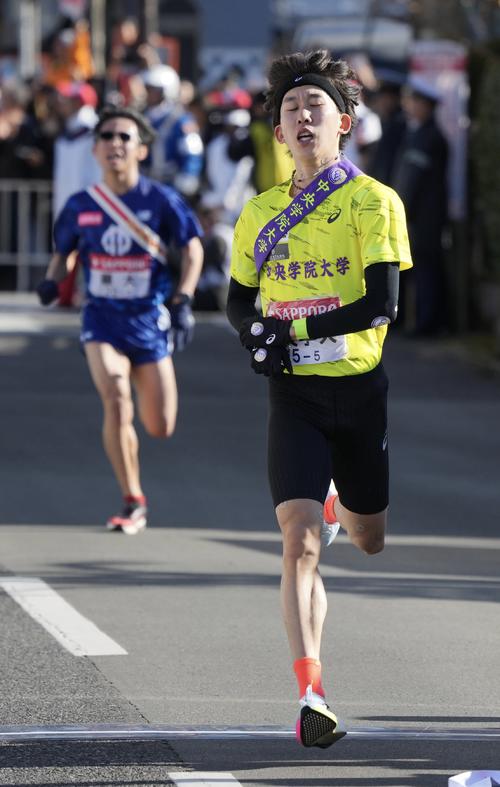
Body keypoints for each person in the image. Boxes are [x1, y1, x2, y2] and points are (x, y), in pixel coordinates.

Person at [226, 49, 412, 749]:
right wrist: (256, 334)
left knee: (369, 539)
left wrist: (292, 328)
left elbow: (381, 303)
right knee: (297, 539)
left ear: (345, 123)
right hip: (295, 394)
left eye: (316, 106)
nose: (303, 117)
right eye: (291, 109)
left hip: (359, 390)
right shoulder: (260, 213)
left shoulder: (374, 201)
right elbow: (238, 300)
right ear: (278, 133)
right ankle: (312, 693)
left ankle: (342, 508)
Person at [36, 106, 204, 534]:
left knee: (160, 425)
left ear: (141, 150)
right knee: (115, 396)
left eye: (124, 136)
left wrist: (183, 299)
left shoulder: (161, 200)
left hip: (148, 319)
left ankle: (135, 487)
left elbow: (192, 248)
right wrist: (53, 281)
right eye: (106, 136)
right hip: (101, 319)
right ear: (94, 150)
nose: (115, 143)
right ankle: (133, 499)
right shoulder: (81, 205)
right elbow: (64, 254)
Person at [391, 76, 448, 336]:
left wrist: (401, 210)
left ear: (426, 105)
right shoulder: (417, 133)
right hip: (416, 216)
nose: (409, 105)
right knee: (417, 268)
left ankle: (428, 323)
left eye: (414, 101)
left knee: (426, 269)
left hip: (425, 217)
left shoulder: (431, 137)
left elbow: (413, 181)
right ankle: (418, 321)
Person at [140, 64, 204, 199]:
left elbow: (192, 151)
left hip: (172, 183)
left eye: (153, 90)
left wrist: (189, 175)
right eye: (148, 89)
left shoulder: (179, 120)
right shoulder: (145, 117)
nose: (148, 94)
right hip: (148, 182)